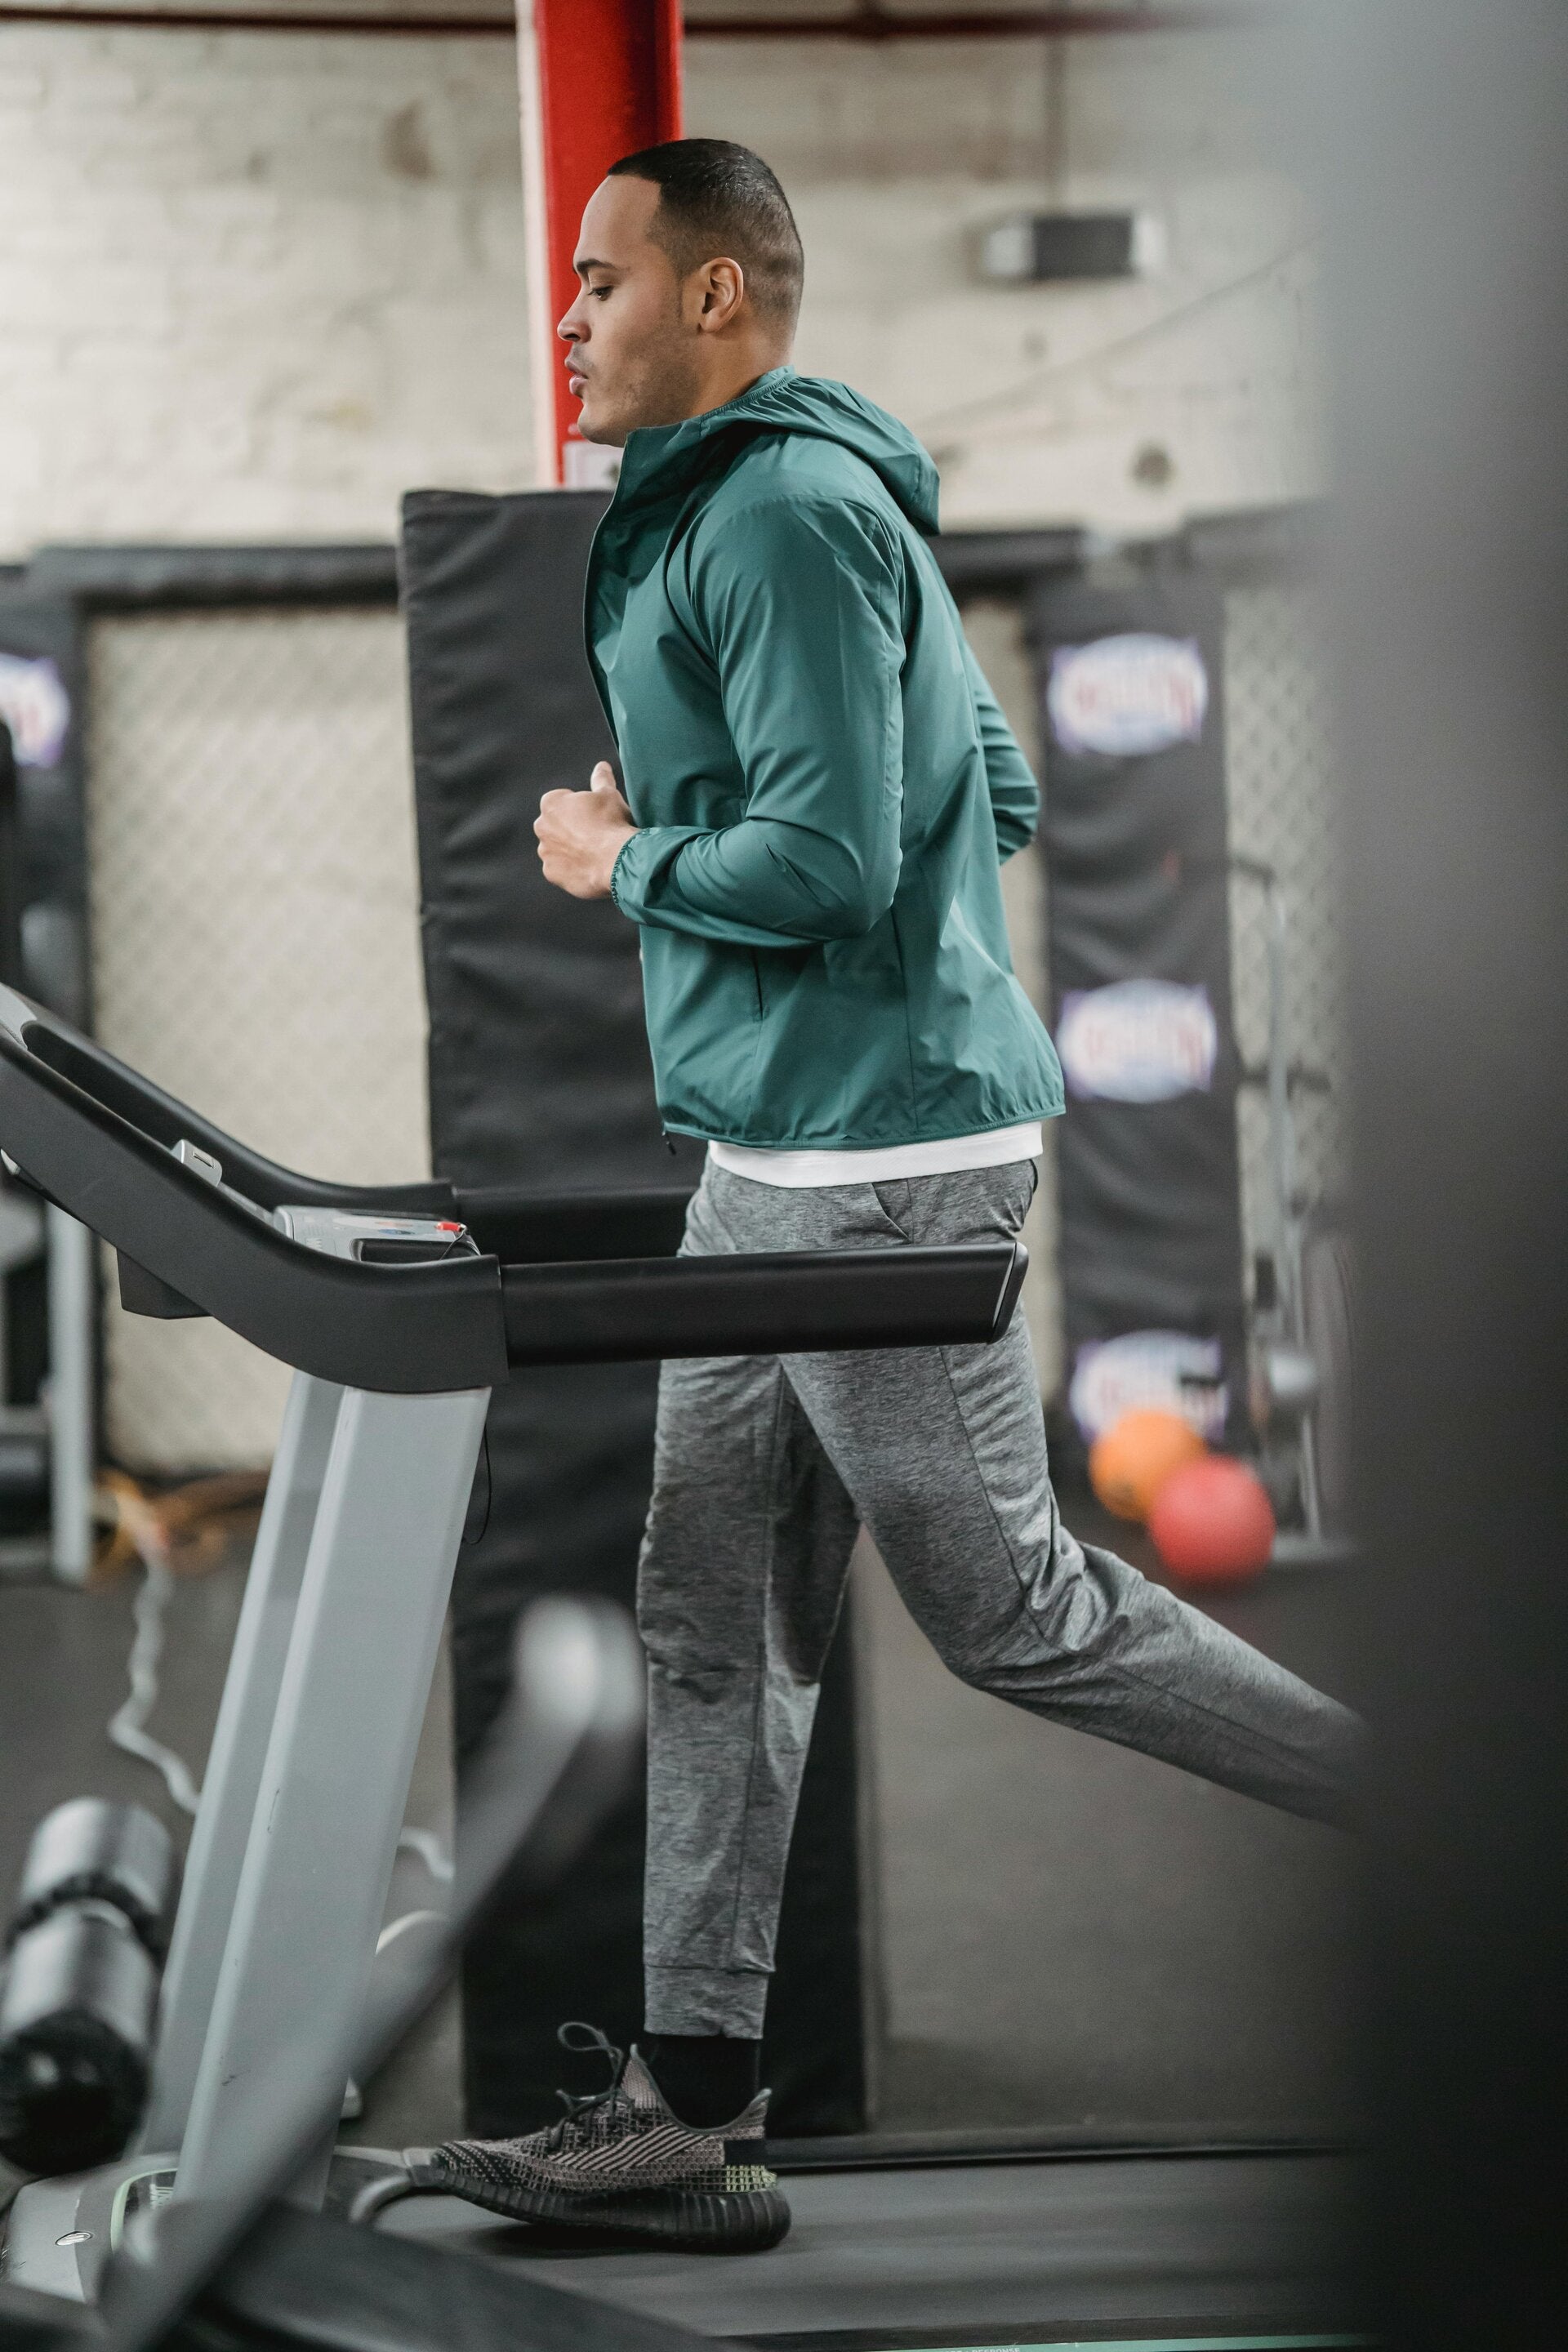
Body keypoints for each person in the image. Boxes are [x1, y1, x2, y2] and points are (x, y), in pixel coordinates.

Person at [425, 137, 1360, 2252]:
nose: (568, 316)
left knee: (1014, 1617)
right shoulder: (789, 509)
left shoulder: (780, 512)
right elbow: (993, 792)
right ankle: (687, 2108)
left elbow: (840, 864)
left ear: (717, 295)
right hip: (777, 1155)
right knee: (712, 1613)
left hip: (876, 1169)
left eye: (601, 279)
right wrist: (735, 821)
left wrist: (630, 858)